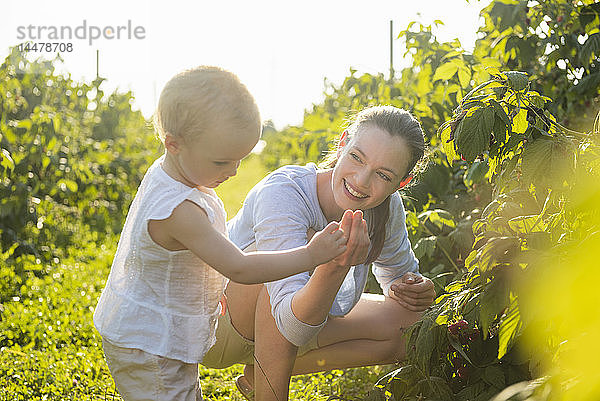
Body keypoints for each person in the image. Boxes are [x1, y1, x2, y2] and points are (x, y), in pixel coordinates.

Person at [92, 66, 351, 401]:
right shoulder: (178, 210)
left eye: (241, 159)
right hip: (148, 346)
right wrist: (310, 255)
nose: (233, 171)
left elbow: (195, 258)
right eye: (221, 162)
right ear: (174, 144)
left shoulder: (177, 172)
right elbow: (240, 267)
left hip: (161, 334)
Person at [201, 105, 437, 401]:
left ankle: (257, 377)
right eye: (356, 157)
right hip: (218, 325)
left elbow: (398, 277)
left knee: (415, 327)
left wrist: (414, 288)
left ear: (401, 183)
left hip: (301, 319)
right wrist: (334, 265)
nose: (361, 181)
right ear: (342, 144)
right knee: (291, 256)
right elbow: (291, 326)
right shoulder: (285, 191)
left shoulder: (386, 209)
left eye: (383, 175)